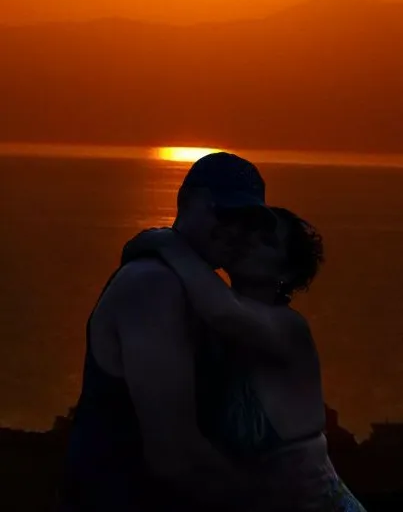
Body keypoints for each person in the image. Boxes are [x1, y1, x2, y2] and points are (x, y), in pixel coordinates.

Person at [59, 152, 279, 511]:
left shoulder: (201, 293)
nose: (235, 228)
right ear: (186, 201)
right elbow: (174, 455)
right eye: (222, 211)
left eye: (247, 220)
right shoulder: (153, 286)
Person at [125, 208, 367, 511]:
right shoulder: (210, 329)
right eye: (248, 233)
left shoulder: (288, 328)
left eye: (266, 241)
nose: (250, 242)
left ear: (287, 272)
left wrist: (165, 243)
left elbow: (222, 310)